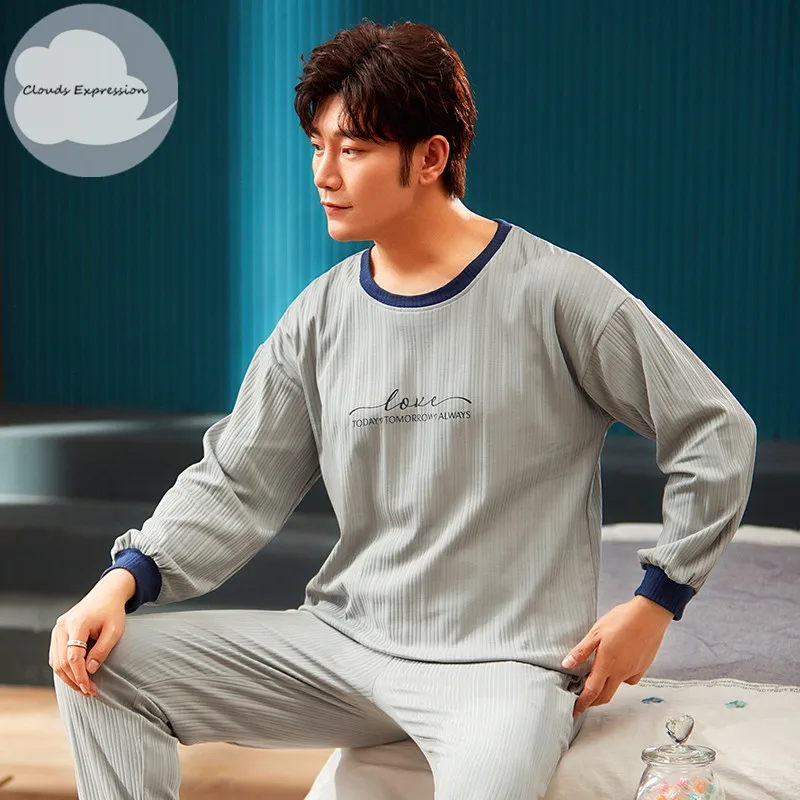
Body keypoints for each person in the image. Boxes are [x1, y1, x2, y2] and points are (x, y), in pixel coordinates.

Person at [50, 19, 757, 800]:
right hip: (342, 646)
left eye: (352, 150)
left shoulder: (558, 293)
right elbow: (237, 482)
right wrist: (125, 579)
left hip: (503, 668)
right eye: (317, 147)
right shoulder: (318, 317)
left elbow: (715, 428)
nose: (324, 174)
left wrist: (657, 601)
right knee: (100, 668)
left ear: (430, 157)